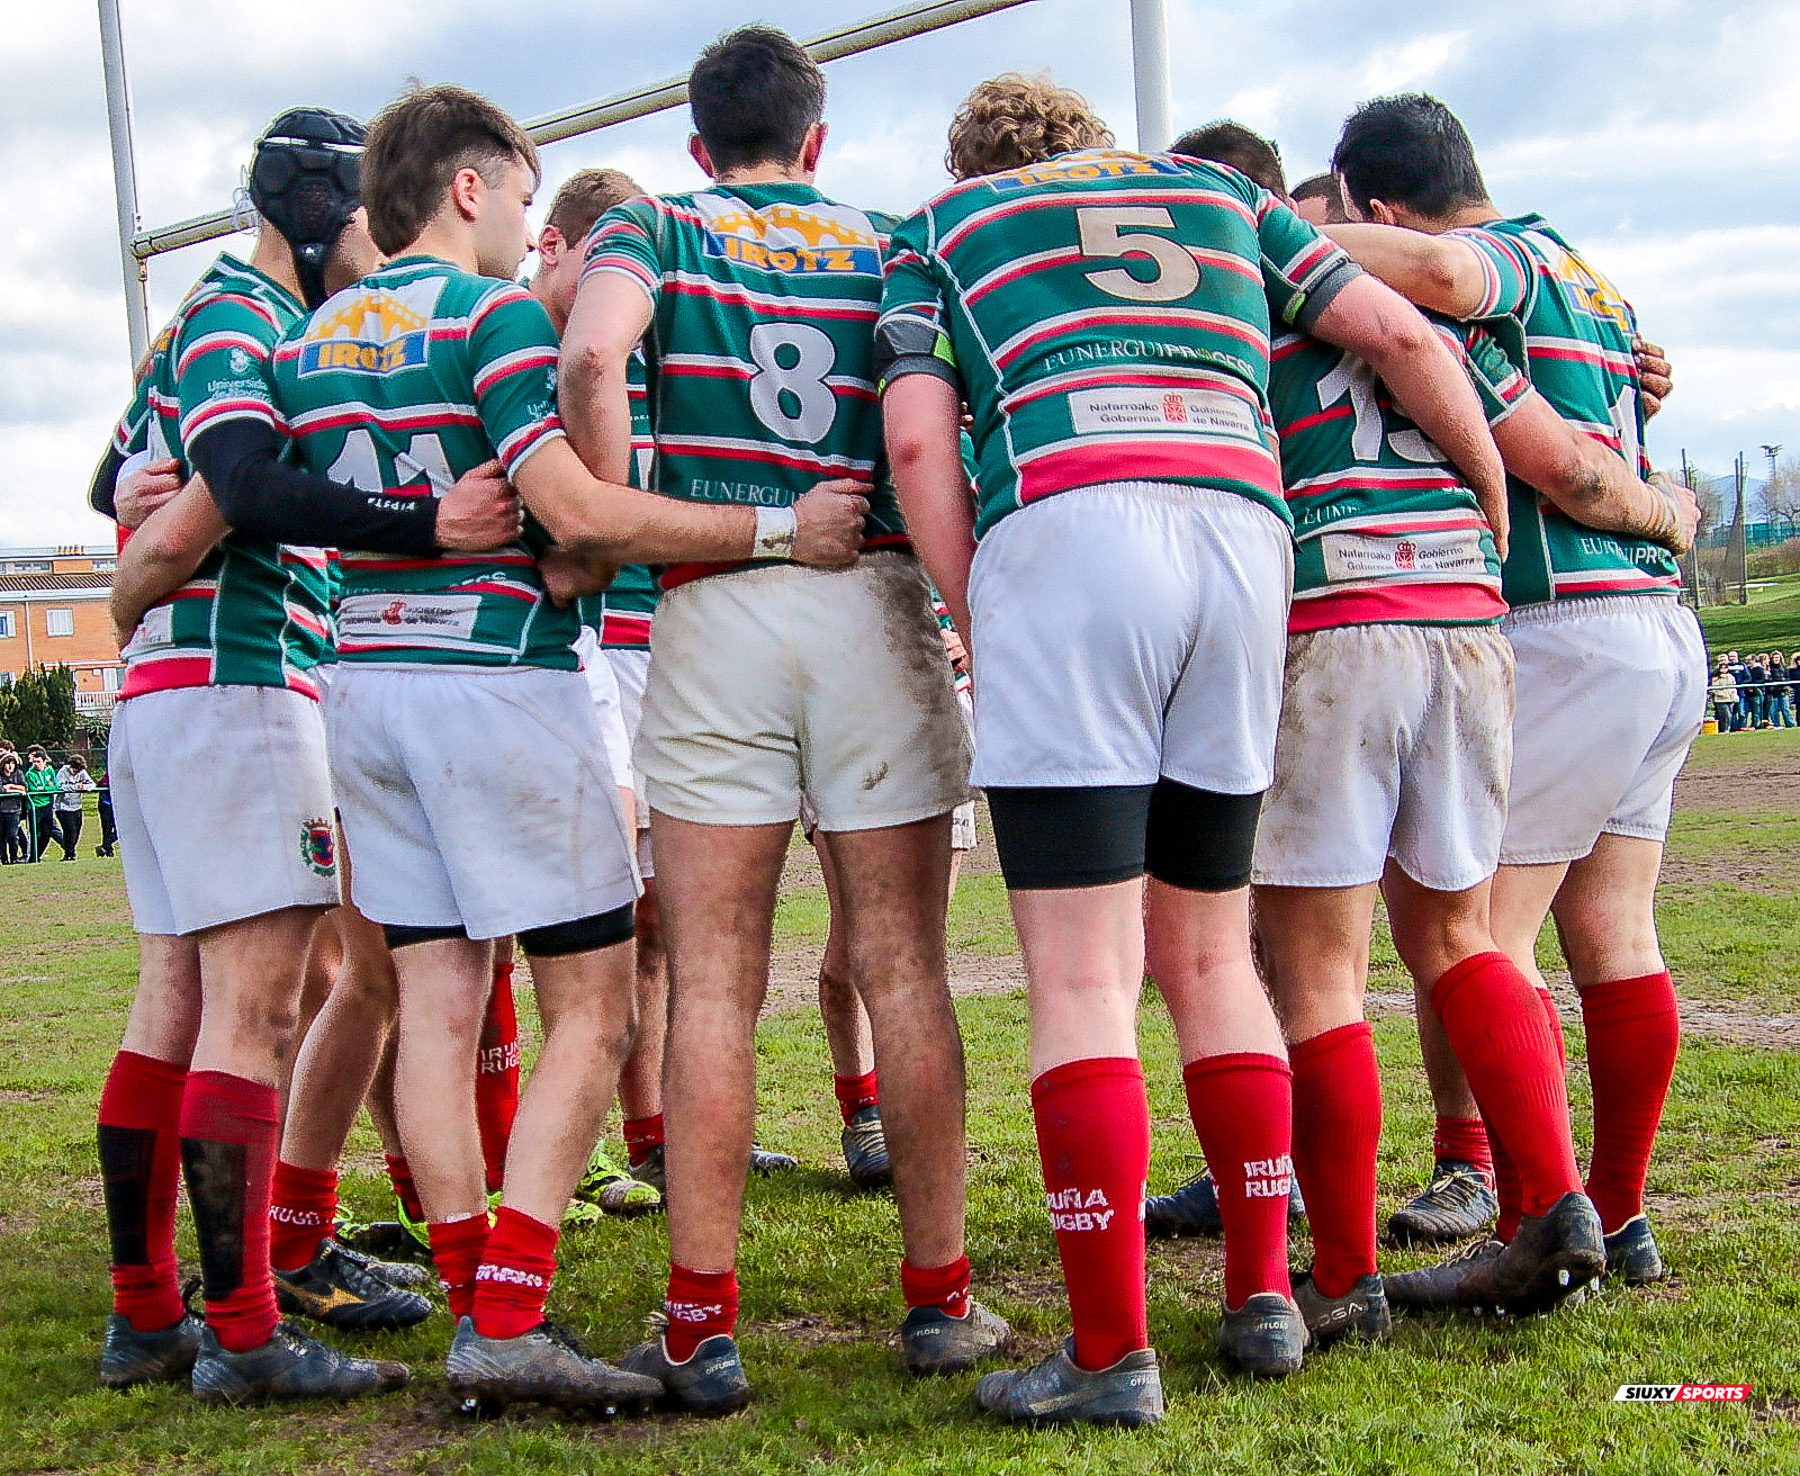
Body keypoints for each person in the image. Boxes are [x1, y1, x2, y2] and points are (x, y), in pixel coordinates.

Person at [878, 73, 1506, 1424]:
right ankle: (1265, 1293)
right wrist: (1493, 484)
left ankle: (1109, 1352)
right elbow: (1400, 329)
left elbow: (921, 432)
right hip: (1239, 533)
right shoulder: (1222, 193)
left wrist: (975, 599)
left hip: (1070, 522)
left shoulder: (943, 227)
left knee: (1081, 977)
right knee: (1219, 954)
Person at [269, 81, 866, 1416]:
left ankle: (481, 1281)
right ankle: (510, 1310)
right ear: (470, 187)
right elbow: (579, 514)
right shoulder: (481, 316)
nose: (522, 229)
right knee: (593, 1004)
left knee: (433, 1002)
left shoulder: (314, 335)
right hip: (493, 682)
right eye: (523, 200)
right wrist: (777, 533)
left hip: (363, 679)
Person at [561, 28, 1006, 1412]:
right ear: (816, 139)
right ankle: (939, 1300)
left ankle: (701, 1324)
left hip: (717, 601)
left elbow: (588, 353)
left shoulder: (658, 224)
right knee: (903, 969)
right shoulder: (891, 240)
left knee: (713, 984)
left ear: (700, 145)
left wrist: (612, 502)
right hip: (867, 596)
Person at [1328, 92, 1706, 1300]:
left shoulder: (1503, 264)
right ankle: (1624, 1216)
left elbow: (1445, 268)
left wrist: (1268, 226)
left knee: (1477, 939)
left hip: (1565, 629)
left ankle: (1540, 1216)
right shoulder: (1595, 280)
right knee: (1615, 933)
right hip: (1655, 632)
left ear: (1377, 207)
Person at [89, 107, 432, 1403]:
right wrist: (413, 514)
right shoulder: (247, 315)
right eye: (366, 223)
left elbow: (113, 481)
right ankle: (242, 1335)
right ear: (315, 217)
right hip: (236, 688)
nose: (379, 248)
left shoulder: (203, 319)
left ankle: (146, 1320)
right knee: (256, 1010)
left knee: (173, 1002)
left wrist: (147, 509)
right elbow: (230, 471)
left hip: (176, 691)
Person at [54, 754, 98, 860]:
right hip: (63, 807)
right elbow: (60, 786)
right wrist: (77, 786)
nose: (77, 773)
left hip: (77, 806)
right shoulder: (63, 772)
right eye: (75, 770)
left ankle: (71, 852)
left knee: (77, 831)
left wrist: (86, 787)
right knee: (70, 831)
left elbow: (92, 784)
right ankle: (69, 854)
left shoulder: (82, 772)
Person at [24, 747, 61, 861]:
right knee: (35, 833)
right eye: (34, 762)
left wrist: (43, 788)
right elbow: (33, 790)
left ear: (44, 762)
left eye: (38, 762)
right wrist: (46, 788)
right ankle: (33, 857)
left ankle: (37, 856)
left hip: (47, 806)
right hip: (34, 807)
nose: (36, 764)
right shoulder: (30, 774)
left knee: (47, 833)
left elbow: (55, 787)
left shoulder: (50, 771)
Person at [0, 748, 28, 864]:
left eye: (12, 763)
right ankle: (4, 859)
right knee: (1, 837)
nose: (10, 766)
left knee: (13, 836)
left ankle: (14, 858)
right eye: (8, 763)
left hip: (15, 809)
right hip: (1, 810)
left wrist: (10, 786)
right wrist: (15, 789)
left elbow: (24, 788)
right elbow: (1, 790)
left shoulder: (19, 774)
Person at [1711, 658, 1739, 731]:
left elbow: (1733, 687)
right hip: (1720, 700)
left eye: (1725, 667)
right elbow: (1714, 689)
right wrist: (1723, 694)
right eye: (1722, 668)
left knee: (1729, 716)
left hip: (1730, 699)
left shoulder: (1731, 677)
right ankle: (1723, 729)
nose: (1724, 669)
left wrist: (1734, 696)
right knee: (1724, 715)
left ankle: (1728, 729)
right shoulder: (1716, 678)